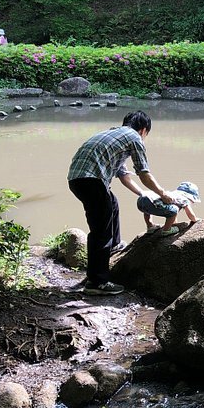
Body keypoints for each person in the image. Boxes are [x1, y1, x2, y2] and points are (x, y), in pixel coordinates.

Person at [68, 111, 174, 295]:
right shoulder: (134, 138)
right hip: (92, 180)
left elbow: (124, 175)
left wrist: (143, 194)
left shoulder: (113, 134)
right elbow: (144, 173)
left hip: (76, 179)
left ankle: (114, 245)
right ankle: (96, 283)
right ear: (143, 130)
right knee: (100, 230)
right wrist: (162, 193)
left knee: (111, 202)